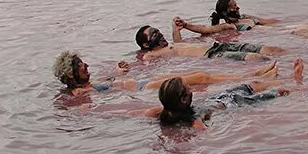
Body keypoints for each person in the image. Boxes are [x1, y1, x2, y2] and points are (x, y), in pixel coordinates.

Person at [52, 50, 277, 97]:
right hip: (144, 88)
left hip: (143, 83)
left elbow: (110, 82)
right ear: (71, 75)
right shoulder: (79, 92)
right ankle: (255, 78)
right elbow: (83, 104)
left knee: (200, 75)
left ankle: (254, 76)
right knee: (200, 78)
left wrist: (118, 72)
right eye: (82, 66)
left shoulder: (87, 85)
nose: (87, 66)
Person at [147, 76, 289, 128]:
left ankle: (283, 78)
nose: (192, 89)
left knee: (251, 84)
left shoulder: (160, 111)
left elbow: (131, 113)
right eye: (189, 87)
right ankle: (295, 82)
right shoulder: (194, 120)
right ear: (184, 99)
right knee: (278, 92)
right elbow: (205, 133)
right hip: (234, 104)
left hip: (217, 99)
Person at [135, 24, 285, 61]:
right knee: (253, 57)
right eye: (154, 34)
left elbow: (178, 44)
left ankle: (294, 55)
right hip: (214, 54)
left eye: (158, 30)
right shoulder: (151, 55)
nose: (159, 33)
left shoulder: (172, 46)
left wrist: (177, 29)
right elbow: (143, 63)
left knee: (269, 49)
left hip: (220, 46)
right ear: (146, 45)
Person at [210, 0, 280, 31]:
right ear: (226, 10)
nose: (238, 8)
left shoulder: (244, 16)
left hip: (276, 30)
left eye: (236, 5)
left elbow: (266, 21)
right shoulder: (229, 27)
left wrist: (283, 23)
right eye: (234, 6)